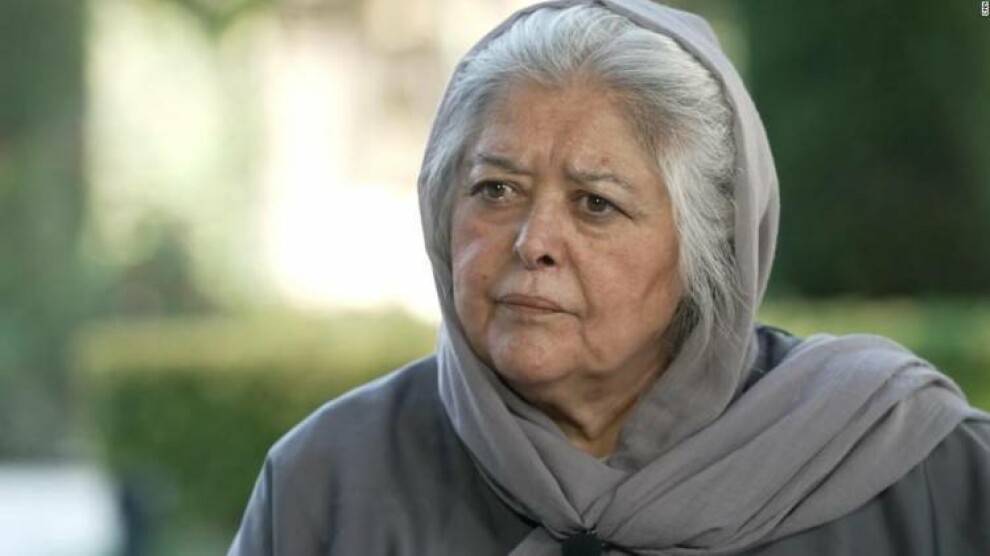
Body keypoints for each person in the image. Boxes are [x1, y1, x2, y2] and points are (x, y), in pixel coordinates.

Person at [229, 1, 990, 554]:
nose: (533, 242)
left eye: (596, 203)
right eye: (496, 189)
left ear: (709, 248)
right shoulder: (330, 478)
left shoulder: (913, 469)